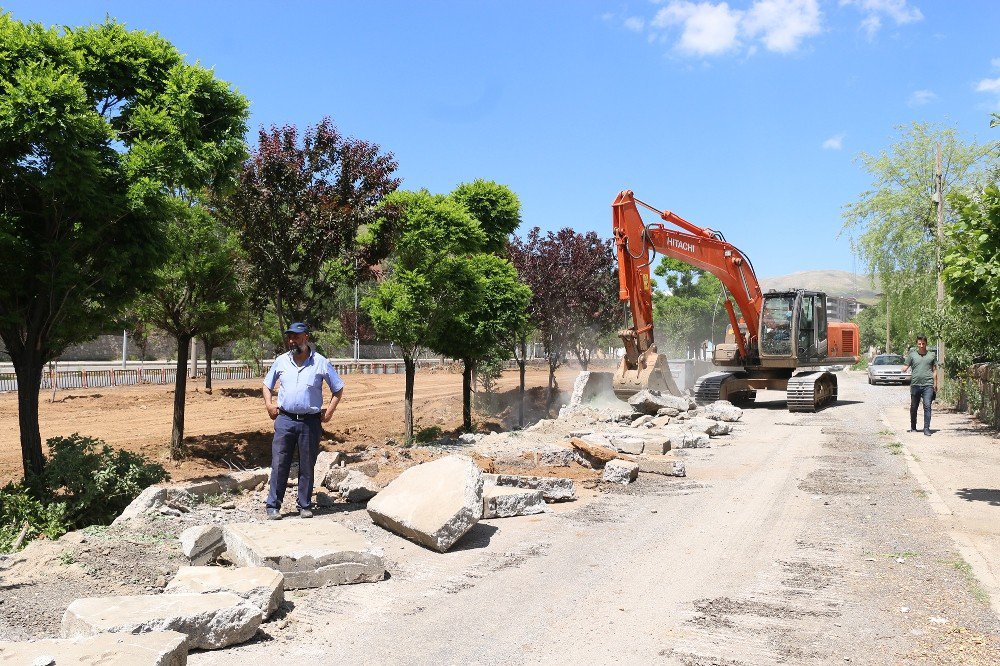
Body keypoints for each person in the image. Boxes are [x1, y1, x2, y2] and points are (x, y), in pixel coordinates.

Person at [261, 322, 344, 519]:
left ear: (306, 337)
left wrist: (330, 412)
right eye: (290, 337)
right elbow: (266, 385)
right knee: (280, 463)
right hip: (285, 420)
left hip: (310, 422)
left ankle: (305, 505)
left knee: (307, 465)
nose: (292, 340)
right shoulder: (281, 361)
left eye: (296, 337)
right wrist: (269, 404)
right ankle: (273, 505)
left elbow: (338, 389)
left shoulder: (321, 362)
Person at [901, 334, 938, 436]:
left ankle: (926, 428)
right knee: (914, 407)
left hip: (928, 385)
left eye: (923, 343)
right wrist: (903, 368)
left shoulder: (931, 355)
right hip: (915, 385)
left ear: (926, 343)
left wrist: (935, 384)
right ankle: (913, 427)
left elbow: (934, 370)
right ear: (917, 344)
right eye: (919, 344)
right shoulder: (912, 355)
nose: (921, 345)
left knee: (927, 406)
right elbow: (905, 366)